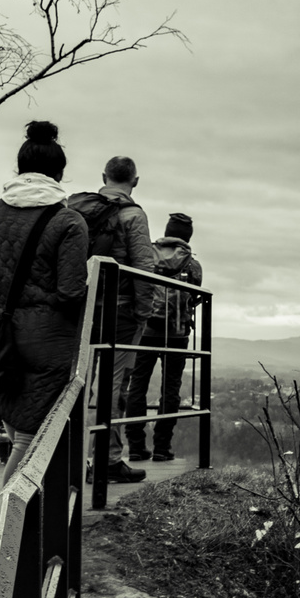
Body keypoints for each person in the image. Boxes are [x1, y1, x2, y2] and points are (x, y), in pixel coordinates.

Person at [0, 121, 90, 480]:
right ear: (59, 173)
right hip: (48, 340)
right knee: (30, 438)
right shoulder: (68, 221)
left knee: (17, 426)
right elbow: (71, 291)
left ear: (19, 169)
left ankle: (22, 524)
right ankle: (4, 521)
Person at [65, 155, 161, 484]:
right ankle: (106, 460)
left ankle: (72, 457)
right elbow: (143, 268)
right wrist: (143, 311)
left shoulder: (77, 209)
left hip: (80, 307)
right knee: (112, 386)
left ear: (103, 176)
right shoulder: (133, 215)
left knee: (77, 382)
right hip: (119, 311)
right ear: (135, 181)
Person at [124, 212, 201, 461]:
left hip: (145, 329)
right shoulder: (192, 264)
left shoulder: (148, 254)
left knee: (137, 385)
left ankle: (135, 445)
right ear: (187, 237)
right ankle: (162, 447)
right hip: (177, 333)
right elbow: (195, 297)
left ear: (167, 231)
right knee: (171, 389)